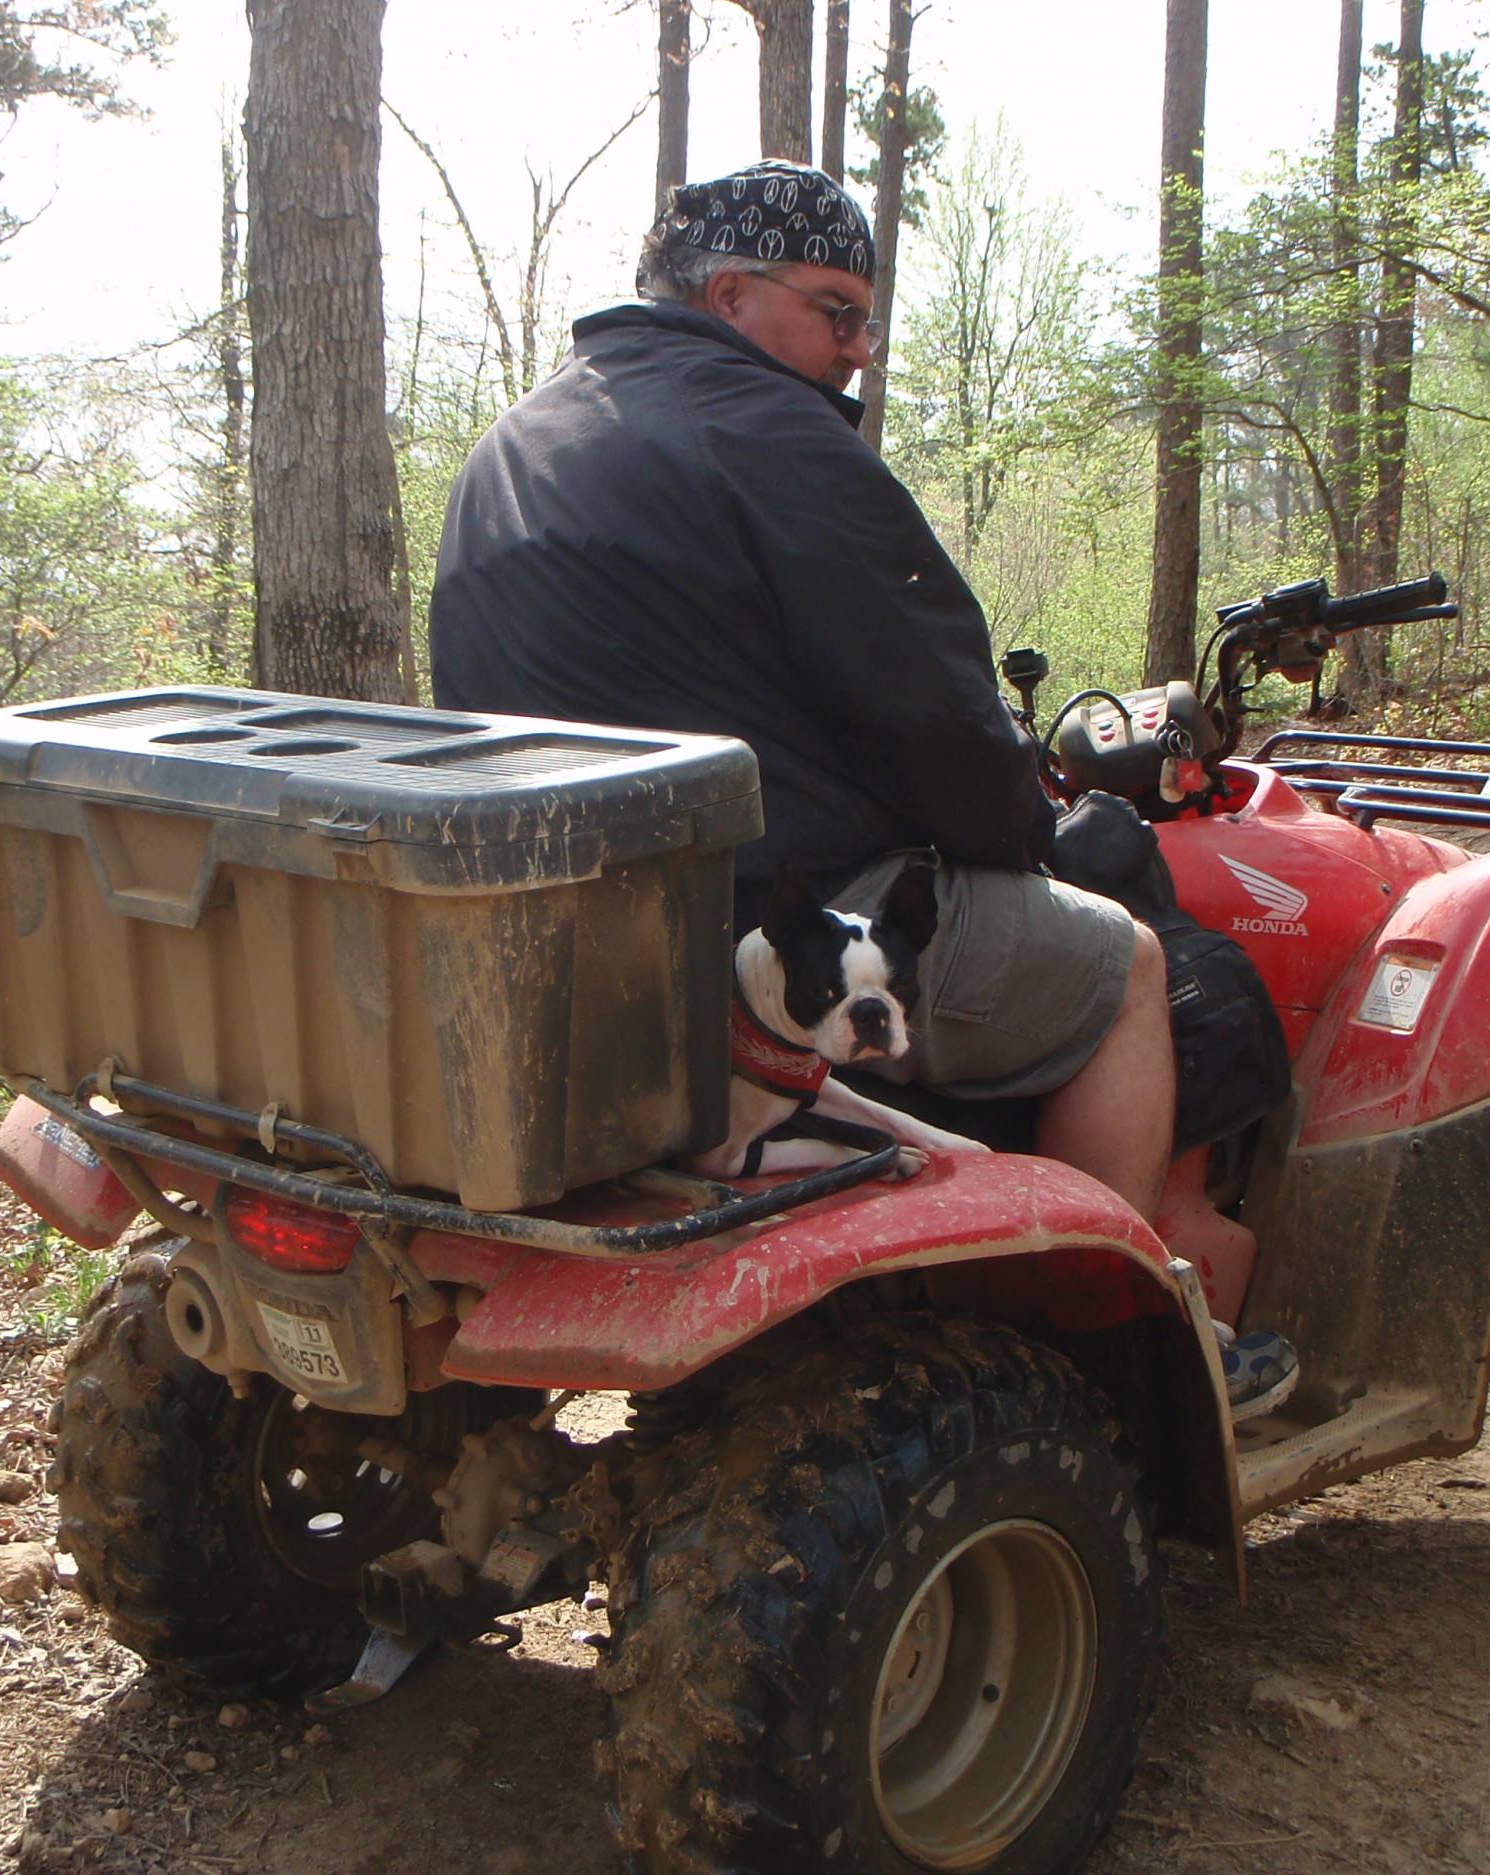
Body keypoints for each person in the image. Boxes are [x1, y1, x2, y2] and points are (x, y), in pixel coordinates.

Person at [428, 161, 1295, 1416]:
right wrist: (1039, 834)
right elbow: (936, 720)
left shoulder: (517, 443)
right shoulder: (771, 436)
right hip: (779, 926)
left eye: (865, 317)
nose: (858, 349)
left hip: (586, 945)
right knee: (1126, 966)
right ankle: (1124, 1346)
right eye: (836, 312)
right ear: (731, 295)